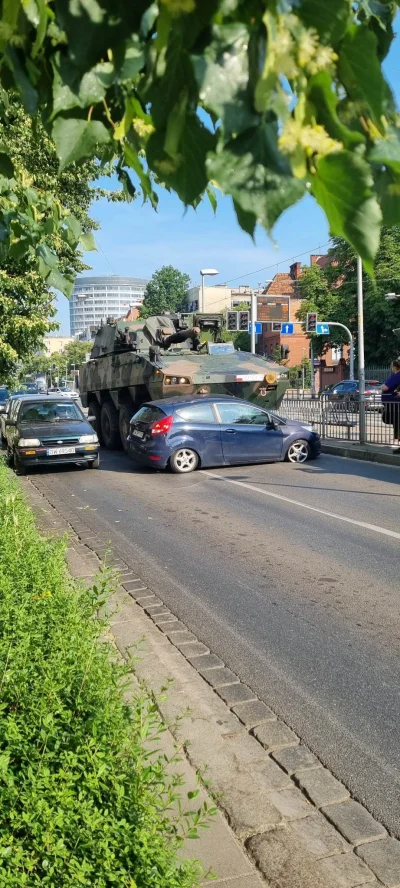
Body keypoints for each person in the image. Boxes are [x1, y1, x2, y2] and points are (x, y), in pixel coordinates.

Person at [381, 358, 400, 453]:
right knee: (396, 423)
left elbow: (385, 387)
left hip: (395, 405)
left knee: (397, 423)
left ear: (395, 367)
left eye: (392, 366)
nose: (391, 368)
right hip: (393, 404)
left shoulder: (396, 376)